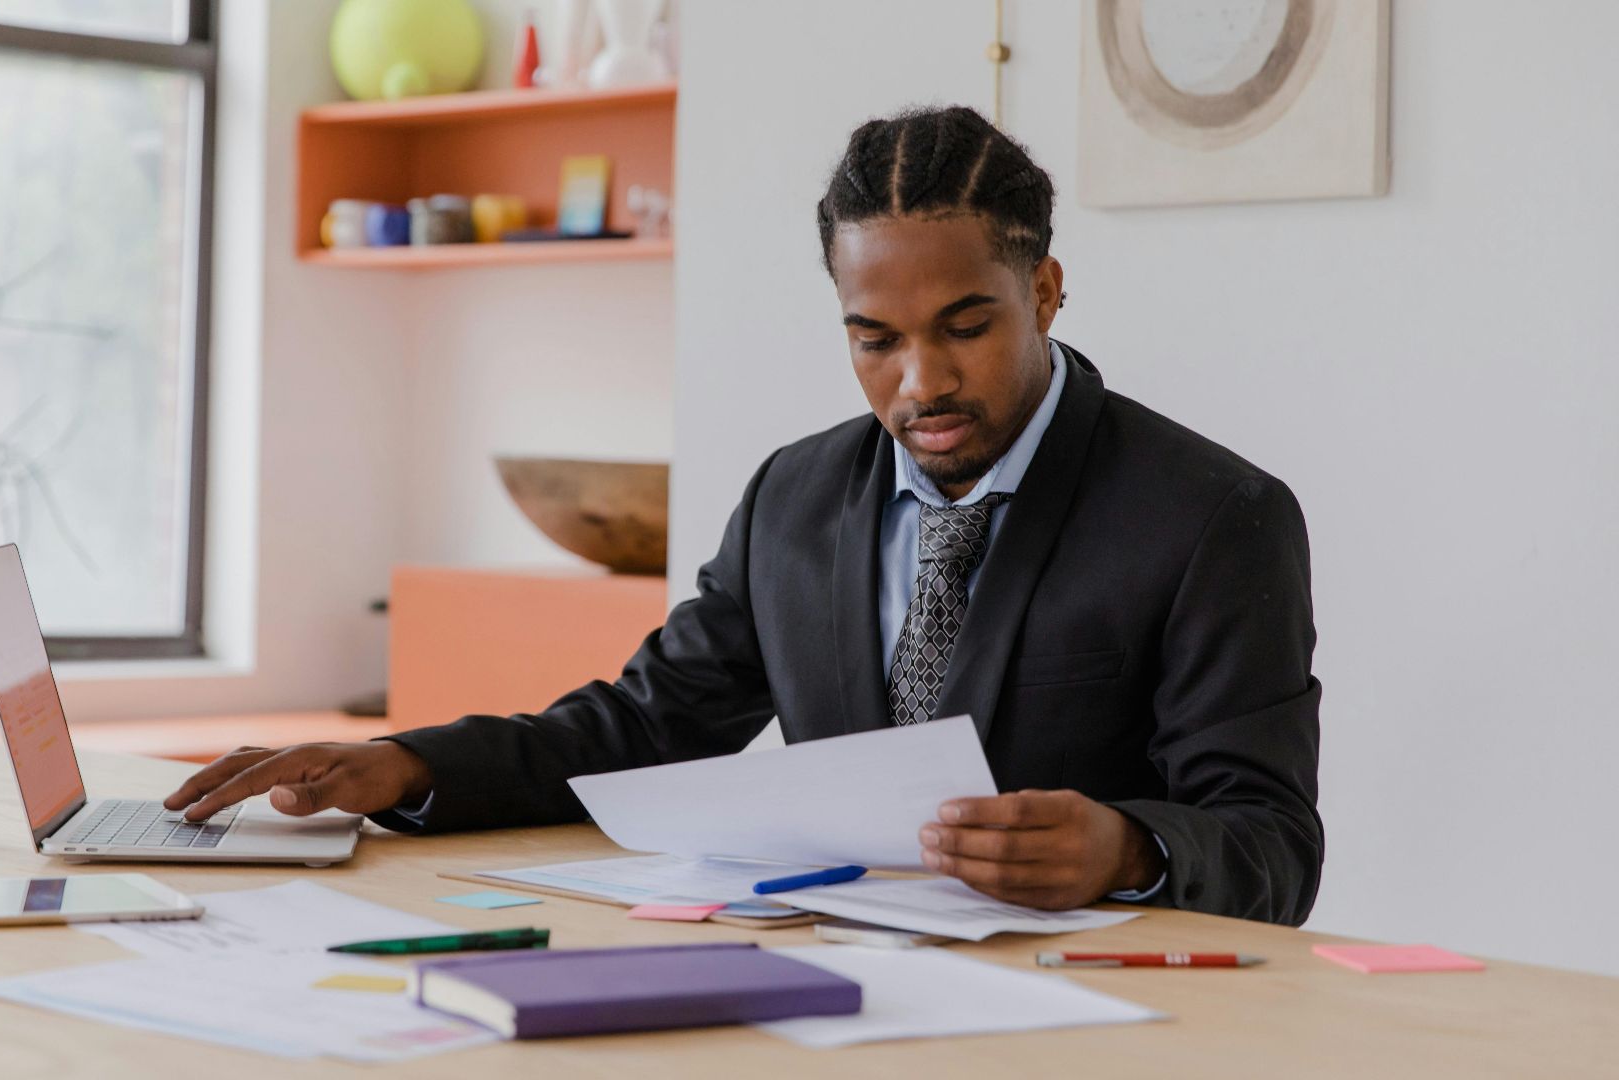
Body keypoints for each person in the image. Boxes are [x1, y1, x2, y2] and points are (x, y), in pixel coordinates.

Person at [166, 105, 1324, 925]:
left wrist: (1129, 847)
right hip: (831, 985)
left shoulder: (1215, 517)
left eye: (966, 325)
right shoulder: (797, 497)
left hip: (1107, 1022)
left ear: (1047, 291)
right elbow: (641, 729)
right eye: (876, 340)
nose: (920, 381)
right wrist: (404, 765)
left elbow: (1272, 844)